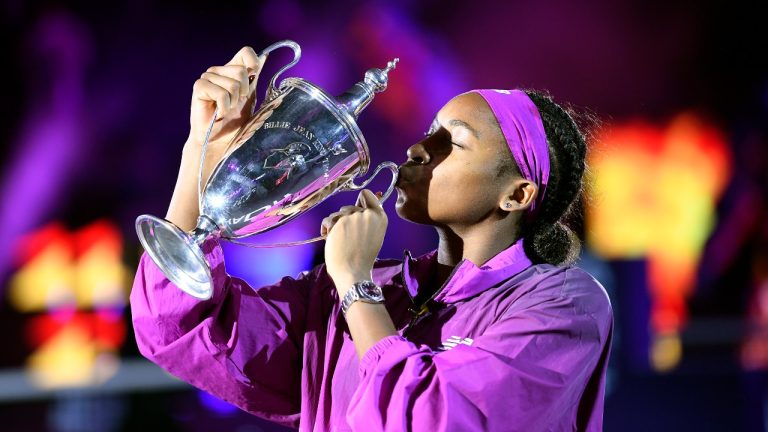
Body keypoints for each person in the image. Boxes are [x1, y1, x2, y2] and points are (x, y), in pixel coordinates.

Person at [130, 46, 613, 432]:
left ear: (516, 194)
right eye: (430, 132)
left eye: (455, 141)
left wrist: (357, 288)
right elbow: (180, 330)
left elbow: (435, 420)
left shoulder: (563, 306)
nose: (419, 149)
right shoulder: (352, 292)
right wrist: (204, 149)